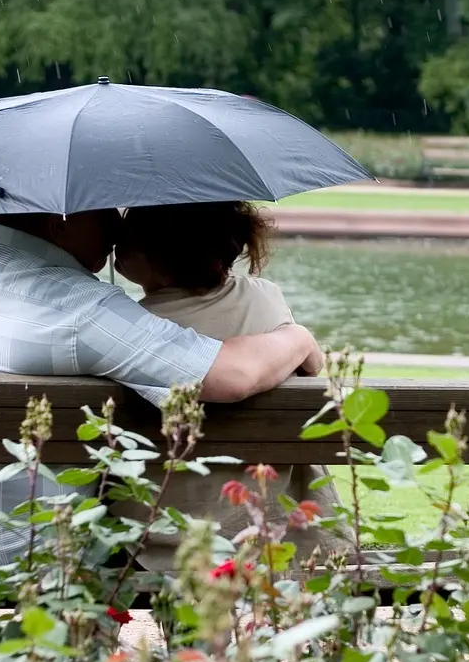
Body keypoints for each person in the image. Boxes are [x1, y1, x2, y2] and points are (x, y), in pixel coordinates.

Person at [0, 209, 322, 662]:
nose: (117, 224)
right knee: (57, 511)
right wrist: (299, 338)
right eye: (104, 208)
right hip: (35, 548)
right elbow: (232, 375)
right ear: (61, 221)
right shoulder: (78, 306)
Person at [112, 201, 348, 571]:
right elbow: (314, 366)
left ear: (158, 255)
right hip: (266, 524)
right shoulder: (265, 299)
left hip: (155, 537)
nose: (115, 240)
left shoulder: (133, 325)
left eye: (127, 234)